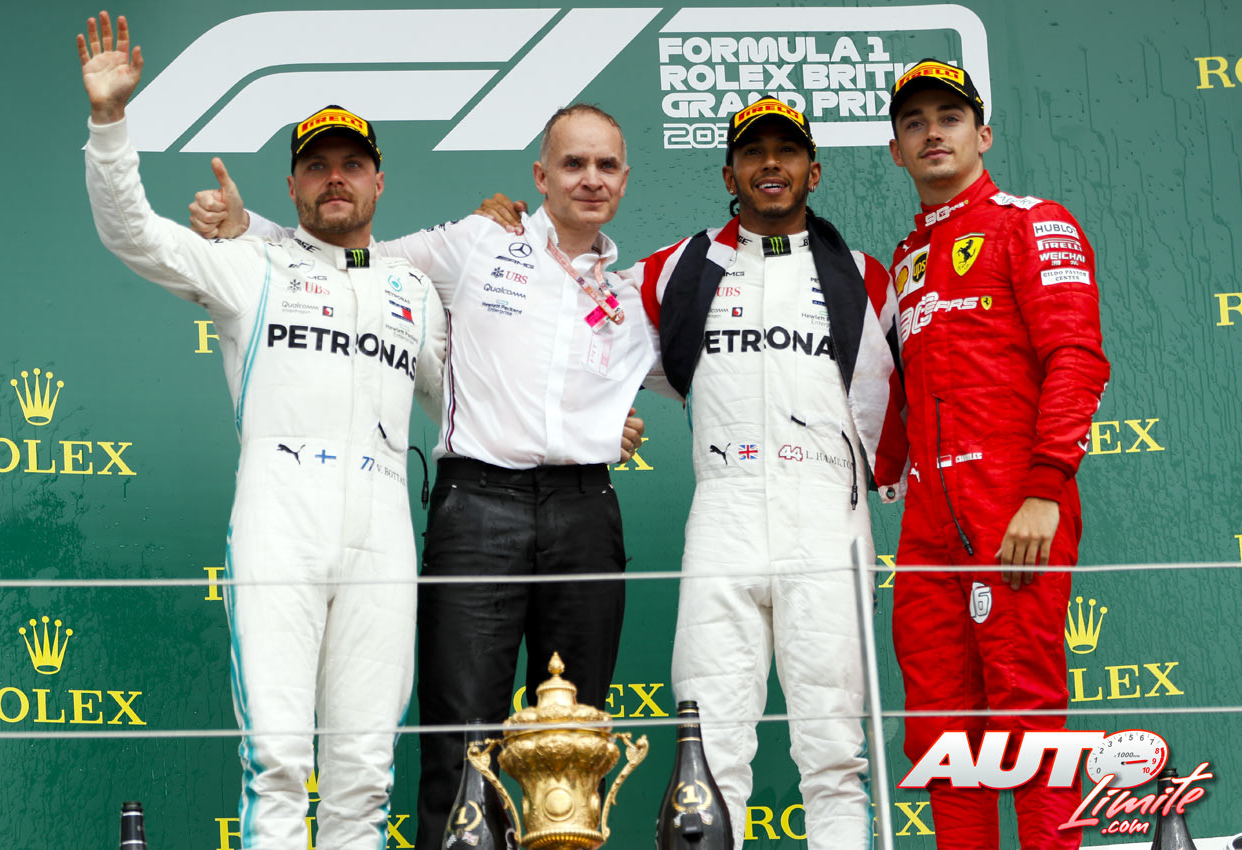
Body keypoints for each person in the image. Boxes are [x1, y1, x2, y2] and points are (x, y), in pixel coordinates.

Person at [188, 104, 658, 850]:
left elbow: (708, 373)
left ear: (626, 180)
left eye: (605, 166)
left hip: (585, 508)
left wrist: (606, 424)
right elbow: (347, 251)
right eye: (573, 164)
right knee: (461, 746)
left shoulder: (635, 295)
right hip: (480, 507)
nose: (590, 179)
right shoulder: (478, 240)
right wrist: (250, 229)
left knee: (573, 742)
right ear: (541, 176)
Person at [477, 97, 909, 849]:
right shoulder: (681, 267)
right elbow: (572, 305)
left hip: (827, 519)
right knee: (707, 752)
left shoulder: (865, 276)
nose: (770, 165)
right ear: (728, 174)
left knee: (836, 753)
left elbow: (915, 393)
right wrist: (514, 236)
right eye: (752, 153)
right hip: (725, 511)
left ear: (813, 170)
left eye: (786, 152)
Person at [78, 13, 441, 849]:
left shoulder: (414, 290)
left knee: (365, 772)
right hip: (282, 515)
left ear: (380, 182)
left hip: (384, 526)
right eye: (317, 166)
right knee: (277, 760)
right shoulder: (251, 266)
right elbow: (131, 231)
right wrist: (109, 121)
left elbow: (470, 406)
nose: (335, 178)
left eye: (352, 165)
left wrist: (592, 424)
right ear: (294, 186)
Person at [885, 60, 1110, 848]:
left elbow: (1077, 358)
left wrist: (1045, 489)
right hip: (929, 523)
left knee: (1024, 710)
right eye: (915, 123)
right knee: (940, 728)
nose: (933, 133)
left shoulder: (1032, 222)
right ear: (896, 151)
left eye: (949, 118)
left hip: (1016, 503)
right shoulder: (906, 261)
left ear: (982, 135)